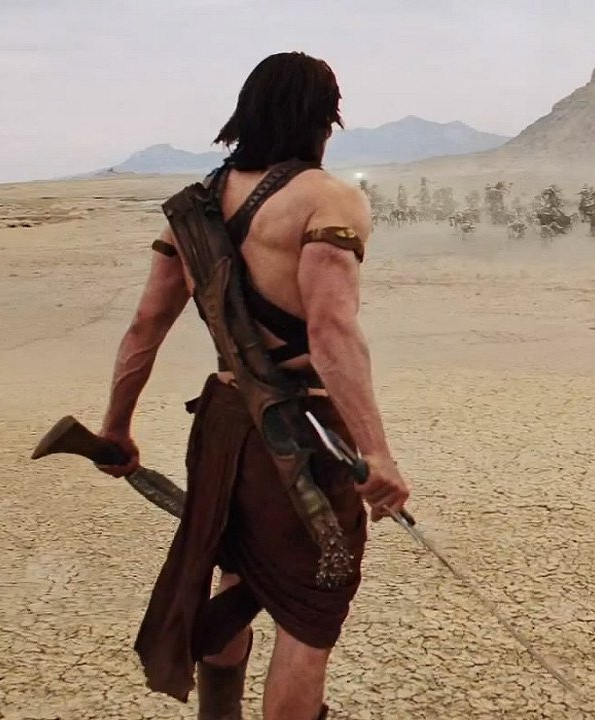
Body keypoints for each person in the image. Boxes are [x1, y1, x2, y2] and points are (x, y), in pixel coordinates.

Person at [94, 52, 409, 720]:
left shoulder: (195, 208)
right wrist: (377, 452)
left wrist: (115, 428)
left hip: (224, 425)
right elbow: (331, 333)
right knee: (310, 612)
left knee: (238, 572)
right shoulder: (327, 199)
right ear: (325, 119)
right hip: (301, 435)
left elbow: (144, 327)